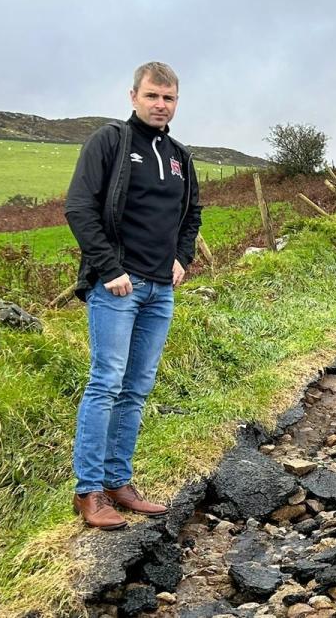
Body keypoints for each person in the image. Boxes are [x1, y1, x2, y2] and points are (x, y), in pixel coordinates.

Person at [64, 61, 202, 530]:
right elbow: (79, 207)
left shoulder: (181, 154)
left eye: (169, 98)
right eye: (153, 96)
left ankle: (120, 483)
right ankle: (89, 492)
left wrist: (182, 258)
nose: (161, 105)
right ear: (133, 96)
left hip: (161, 289)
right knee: (106, 381)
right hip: (118, 287)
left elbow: (191, 215)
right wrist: (110, 268)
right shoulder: (111, 142)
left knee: (137, 387)